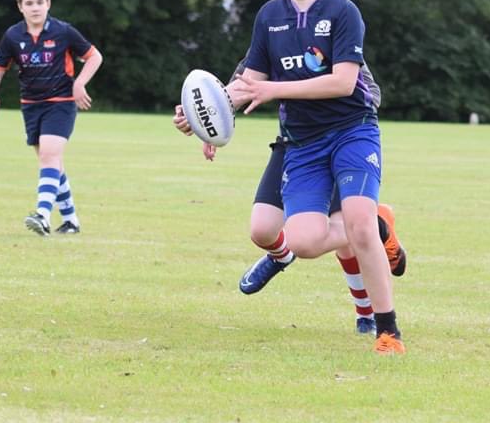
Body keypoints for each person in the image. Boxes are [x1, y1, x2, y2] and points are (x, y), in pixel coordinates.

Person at [231, 0, 405, 354]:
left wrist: (274, 90)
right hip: (302, 143)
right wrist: (208, 113)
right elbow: (249, 80)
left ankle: (387, 332)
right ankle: (378, 223)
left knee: (358, 225)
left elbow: (343, 83)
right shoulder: (270, 16)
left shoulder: (343, 12)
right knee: (305, 240)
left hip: (352, 132)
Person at [173, 58, 405, 335]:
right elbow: (237, 89)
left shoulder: (334, 25)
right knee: (262, 230)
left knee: (344, 227)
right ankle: (287, 254)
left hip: (339, 140)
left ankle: (365, 312)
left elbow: (368, 94)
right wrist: (202, 118)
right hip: (294, 144)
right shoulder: (273, 27)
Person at [0, 0, 102, 236]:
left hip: (60, 103)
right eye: (29, 3)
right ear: (20, 7)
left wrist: (79, 83)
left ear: (48, 4)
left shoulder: (63, 31)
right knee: (52, 163)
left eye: (40, 2)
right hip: (30, 105)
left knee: (49, 156)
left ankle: (43, 215)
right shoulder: (13, 35)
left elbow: (94, 56)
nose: (35, 7)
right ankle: (71, 221)